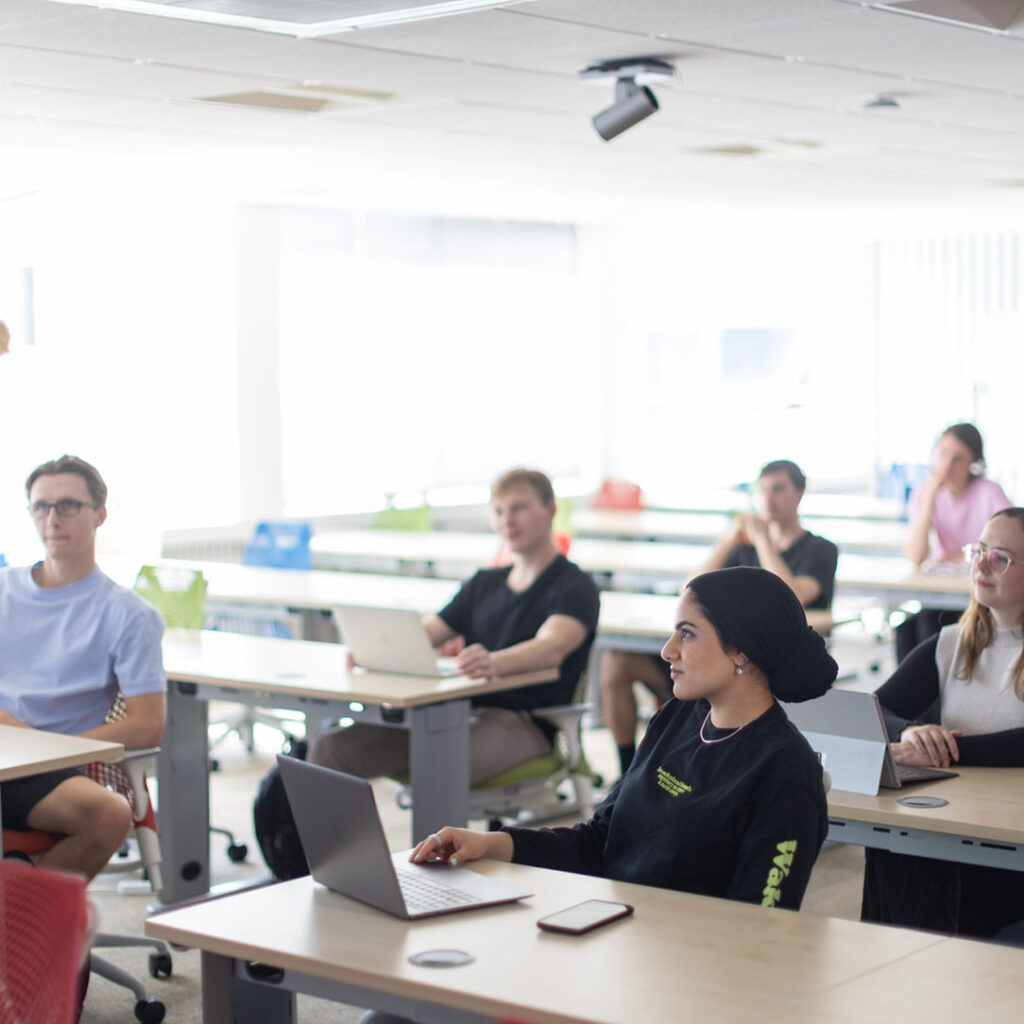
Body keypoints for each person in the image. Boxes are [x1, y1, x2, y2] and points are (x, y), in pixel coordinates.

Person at [412, 566, 837, 909]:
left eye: (687, 634)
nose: (667, 650)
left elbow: (760, 926)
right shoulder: (677, 717)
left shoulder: (785, 770)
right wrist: (491, 844)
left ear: (742, 650)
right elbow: (599, 840)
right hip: (610, 927)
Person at [310, 467, 601, 784]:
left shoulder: (575, 586)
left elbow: (551, 648)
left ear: (551, 509)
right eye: (499, 511)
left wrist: (493, 662)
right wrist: (374, 650)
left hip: (523, 722)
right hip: (454, 712)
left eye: (519, 508)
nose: (507, 520)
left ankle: (439, 836)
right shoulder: (484, 583)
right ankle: (346, 837)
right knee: (331, 750)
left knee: (436, 760)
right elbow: (427, 633)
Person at [601, 459, 838, 778]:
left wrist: (763, 540)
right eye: (762, 490)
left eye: (778, 489)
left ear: (799, 493)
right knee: (617, 659)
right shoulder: (741, 548)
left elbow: (790, 595)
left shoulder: (819, 549)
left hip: (762, 664)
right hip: (719, 656)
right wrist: (729, 539)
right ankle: (627, 767)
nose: (768, 499)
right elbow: (691, 592)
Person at [0, 455, 166, 880]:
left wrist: (50, 747)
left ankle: (25, 927)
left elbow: (146, 725)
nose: (53, 519)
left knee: (109, 813)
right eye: (42, 506)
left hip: (44, 772)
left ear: (99, 515)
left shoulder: (129, 615)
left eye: (69, 505)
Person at [863, 506, 1024, 939]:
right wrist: (911, 732)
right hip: (956, 819)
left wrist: (944, 750)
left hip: (1010, 836)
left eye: (1001, 558)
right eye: (980, 551)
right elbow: (877, 709)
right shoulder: (952, 642)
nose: (981, 565)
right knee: (892, 846)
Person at [897, 423, 1012, 661]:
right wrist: (930, 494)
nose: (947, 464)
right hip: (941, 591)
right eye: (943, 453)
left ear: (974, 463)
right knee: (905, 630)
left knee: (930, 626)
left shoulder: (989, 493)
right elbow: (916, 557)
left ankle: (940, 695)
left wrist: (955, 558)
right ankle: (913, 699)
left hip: (978, 594)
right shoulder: (923, 493)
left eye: (958, 458)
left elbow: (1008, 546)